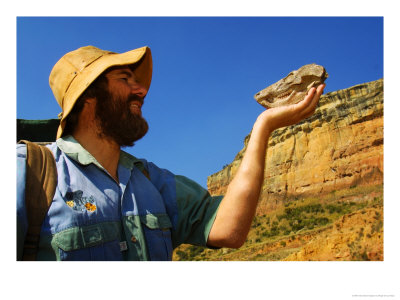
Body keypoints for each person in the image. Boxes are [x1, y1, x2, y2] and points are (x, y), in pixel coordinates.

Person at [16, 45, 325, 261]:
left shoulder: (154, 182)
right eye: (125, 79)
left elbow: (229, 230)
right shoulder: (28, 172)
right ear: (88, 97)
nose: (142, 90)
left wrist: (264, 127)